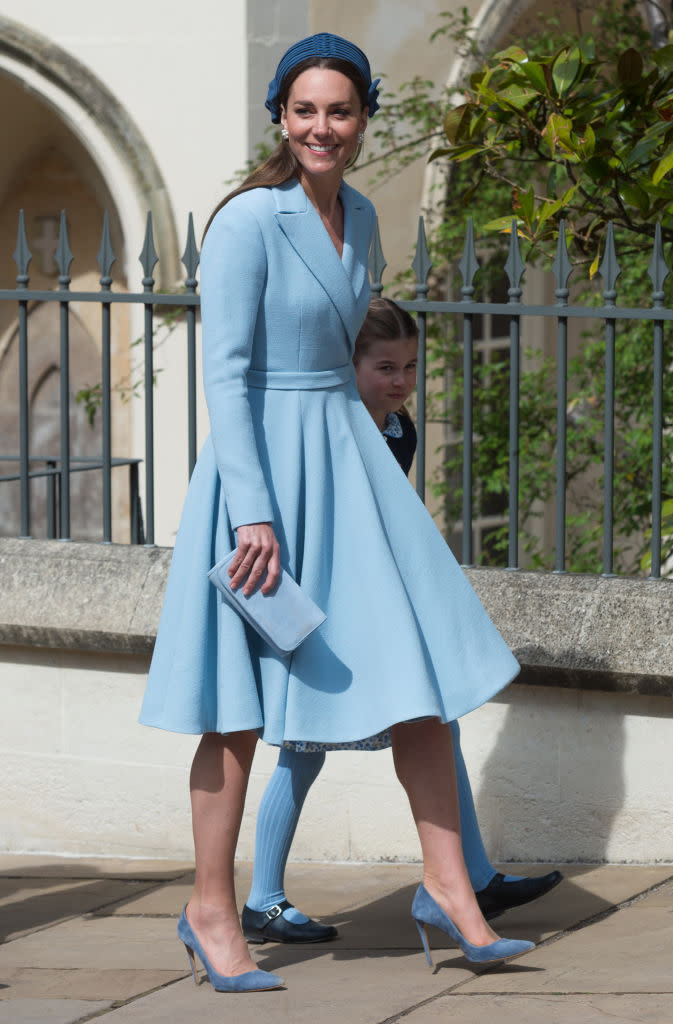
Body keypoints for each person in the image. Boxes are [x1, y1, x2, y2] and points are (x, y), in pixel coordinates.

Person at [139, 33, 536, 994]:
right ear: (282, 114)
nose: (323, 127)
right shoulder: (246, 221)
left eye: (341, 110)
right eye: (306, 110)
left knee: (420, 683)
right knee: (235, 717)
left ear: (362, 119)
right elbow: (227, 376)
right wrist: (254, 515)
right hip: (261, 478)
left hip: (345, 463)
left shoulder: (360, 216)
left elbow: (342, 355)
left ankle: (452, 893)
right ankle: (210, 911)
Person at [241, 298, 562, 945]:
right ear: (346, 366)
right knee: (301, 749)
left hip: (374, 606)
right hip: (323, 612)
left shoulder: (399, 431)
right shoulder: (320, 429)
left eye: (410, 366)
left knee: (437, 722)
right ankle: (261, 900)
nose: (400, 380)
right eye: (384, 366)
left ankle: (471, 876)